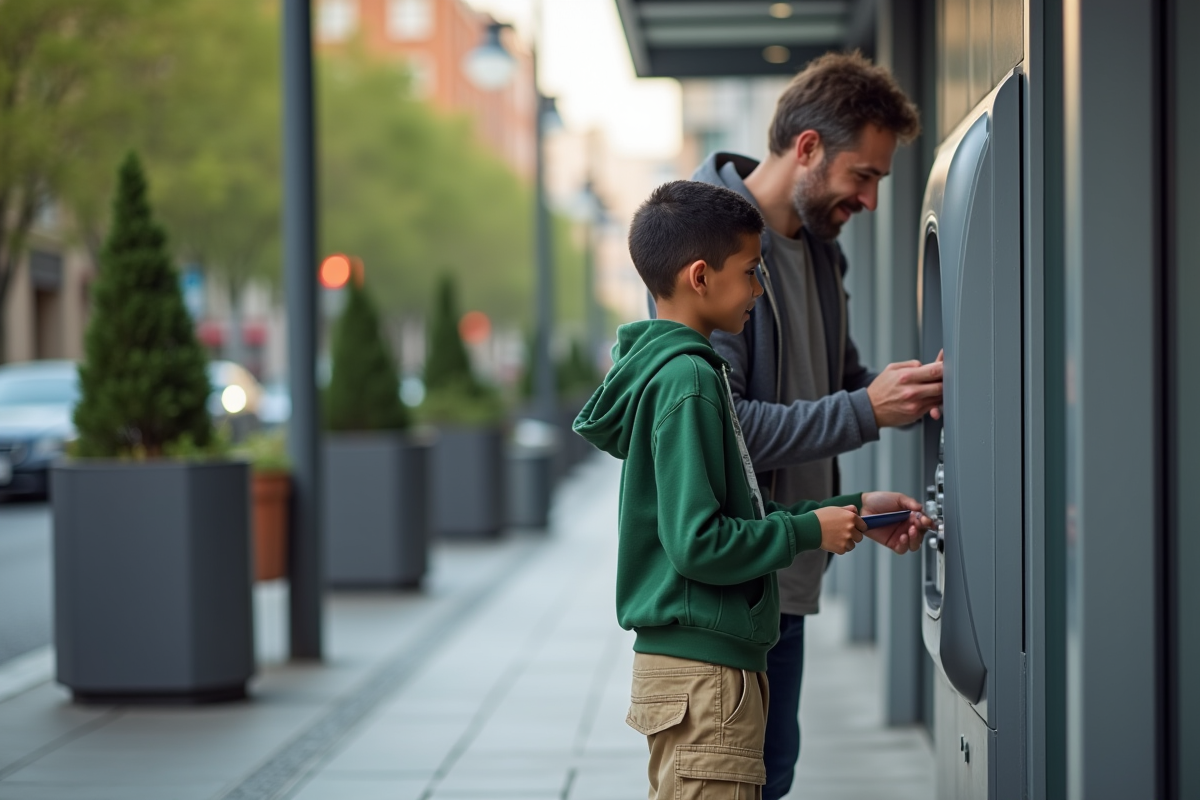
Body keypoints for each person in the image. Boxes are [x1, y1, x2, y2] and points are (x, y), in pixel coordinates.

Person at [573, 180, 930, 799]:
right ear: (700, 277)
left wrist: (843, 510)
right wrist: (806, 531)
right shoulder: (688, 380)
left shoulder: (686, 371)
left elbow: (731, 514)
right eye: (750, 272)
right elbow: (698, 543)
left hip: (706, 668)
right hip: (706, 675)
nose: (760, 290)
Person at [692, 51, 943, 800]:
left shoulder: (821, 251)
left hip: (789, 572)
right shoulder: (707, 243)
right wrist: (868, 409)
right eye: (862, 175)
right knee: (735, 783)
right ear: (807, 148)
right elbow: (723, 426)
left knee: (770, 778)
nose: (869, 199)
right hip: (732, 585)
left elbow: (836, 385)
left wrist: (911, 393)